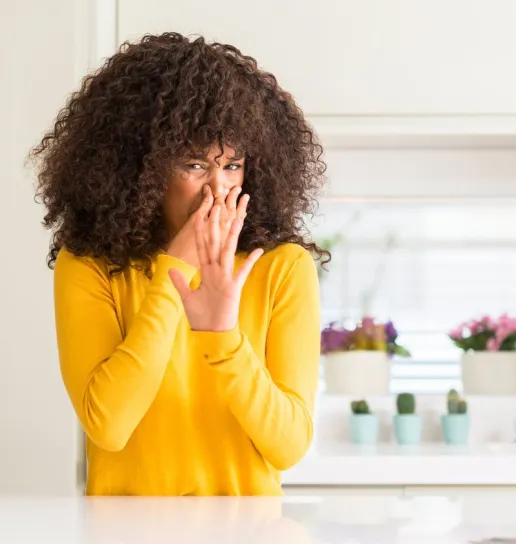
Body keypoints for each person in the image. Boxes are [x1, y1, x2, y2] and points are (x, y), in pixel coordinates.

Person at [30, 32, 328, 496]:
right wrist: (173, 276)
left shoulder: (282, 267)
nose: (217, 188)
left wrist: (223, 335)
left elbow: (288, 446)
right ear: (140, 168)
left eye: (232, 166)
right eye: (193, 165)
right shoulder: (89, 264)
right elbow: (108, 425)